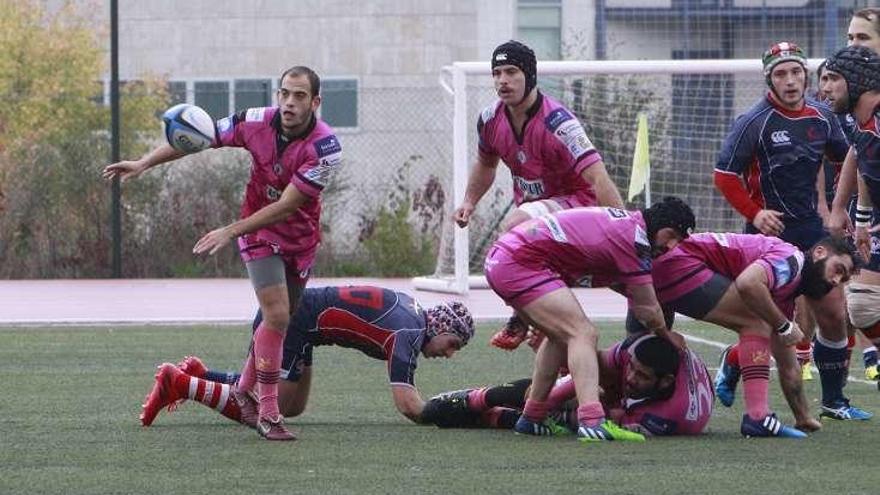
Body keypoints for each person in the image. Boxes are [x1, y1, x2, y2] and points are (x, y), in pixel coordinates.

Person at [104, 66, 342, 440]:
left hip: (299, 240)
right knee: (277, 316)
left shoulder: (326, 148)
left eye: (299, 96)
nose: (289, 102)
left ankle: (242, 392)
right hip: (257, 232)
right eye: (284, 93)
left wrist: (230, 230)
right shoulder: (255, 121)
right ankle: (268, 413)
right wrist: (144, 162)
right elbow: (201, 136)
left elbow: (288, 204)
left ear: (315, 102)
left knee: (283, 318)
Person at [714, 42, 859, 416]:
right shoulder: (753, 122)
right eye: (781, 74)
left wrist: (842, 208)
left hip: (811, 229)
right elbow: (724, 175)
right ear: (769, 79)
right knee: (770, 324)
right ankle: (733, 361)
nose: (790, 80)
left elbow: (846, 159)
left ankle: (834, 401)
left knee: (832, 309)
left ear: (805, 76)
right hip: (766, 236)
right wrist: (756, 212)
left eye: (796, 72)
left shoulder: (822, 117)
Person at [452, 40, 624, 347]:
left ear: (530, 75)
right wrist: (468, 201)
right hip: (540, 217)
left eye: (511, 71)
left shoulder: (559, 123)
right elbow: (485, 163)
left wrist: (624, 228)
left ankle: (522, 318)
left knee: (513, 228)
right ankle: (557, 380)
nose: (502, 80)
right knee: (547, 335)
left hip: (578, 208)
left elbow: (598, 177)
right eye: (496, 73)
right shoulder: (490, 119)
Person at [484, 196, 695, 442]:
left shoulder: (627, 228)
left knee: (560, 336)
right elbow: (647, 309)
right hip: (518, 262)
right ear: (661, 227)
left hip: (508, 258)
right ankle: (592, 420)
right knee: (583, 333)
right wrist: (666, 335)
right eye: (672, 238)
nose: (670, 247)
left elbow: (630, 292)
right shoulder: (636, 240)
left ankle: (532, 416)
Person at [140, 286, 475, 428]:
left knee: (295, 406)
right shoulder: (409, 333)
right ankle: (182, 384)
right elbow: (409, 406)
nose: (449, 354)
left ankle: (204, 375)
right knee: (271, 410)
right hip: (292, 321)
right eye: (453, 344)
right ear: (443, 326)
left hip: (303, 324)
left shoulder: (414, 312)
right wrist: (456, 413)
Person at [656, 234, 861, 435]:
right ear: (819, 252)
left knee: (646, 349)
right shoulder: (792, 261)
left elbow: (788, 364)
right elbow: (748, 283)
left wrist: (803, 417)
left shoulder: (786, 291)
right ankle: (758, 417)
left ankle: (632, 412)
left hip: (664, 265)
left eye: (843, 279)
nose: (835, 281)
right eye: (838, 270)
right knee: (758, 322)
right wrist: (783, 326)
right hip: (679, 262)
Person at [423, 334, 714, 437]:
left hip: (654, 414)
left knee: (584, 419)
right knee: (584, 368)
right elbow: (588, 368)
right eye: (632, 369)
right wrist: (541, 404)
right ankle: (475, 398)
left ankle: (496, 417)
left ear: (665, 381)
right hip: (650, 382)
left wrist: (548, 413)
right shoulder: (633, 352)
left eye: (641, 376)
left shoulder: (669, 413)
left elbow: (612, 422)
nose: (630, 378)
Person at [824, 8, 880, 382]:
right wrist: (855, 215)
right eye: (851, 39)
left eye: (864, 38)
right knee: (860, 304)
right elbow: (861, 156)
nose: (824, 88)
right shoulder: (862, 114)